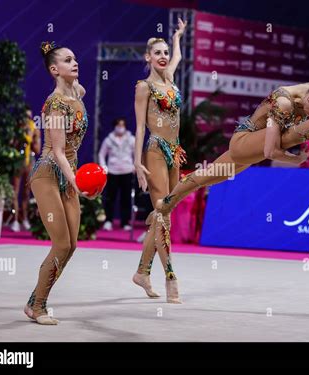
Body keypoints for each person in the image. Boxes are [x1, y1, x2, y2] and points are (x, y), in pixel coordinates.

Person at [142, 82, 309, 301]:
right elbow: (270, 151)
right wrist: (294, 160)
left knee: (201, 180)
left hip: (245, 155)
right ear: (308, 102)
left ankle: (162, 211)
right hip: (244, 143)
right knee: (295, 134)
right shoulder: (283, 102)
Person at [24, 42, 96, 325]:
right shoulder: (54, 103)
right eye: (67, 60)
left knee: (73, 244)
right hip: (48, 175)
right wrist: (77, 183)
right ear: (55, 70)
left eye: (75, 58)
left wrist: (76, 181)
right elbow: (56, 151)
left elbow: (80, 91)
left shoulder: (77, 92)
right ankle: (38, 306)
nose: (75, 62)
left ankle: (34, 301)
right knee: (61, 243)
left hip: (69, 175)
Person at [132, 18, 187, 303]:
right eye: (158, 53)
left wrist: (177, 36)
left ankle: (142, 272)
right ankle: (170, 277)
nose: (164, 57)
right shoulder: (144, 87)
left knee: (165, 215)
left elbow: (178, 56)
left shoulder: (171, 80)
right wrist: (136, 163)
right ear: (148, 57)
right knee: (162, 216)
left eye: (165, 53)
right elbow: (140, 127)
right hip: (154, 150)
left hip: (175, 151)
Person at [99, 118, 135, 231]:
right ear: (114, 126)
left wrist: (135, 166)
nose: (120, 127)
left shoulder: (131, 139)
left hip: (127, 171)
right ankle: (108, 220)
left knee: (126, 198)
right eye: (118, 125)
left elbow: (137, 154)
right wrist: (104, 167)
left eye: (122, 125)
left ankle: (125, 222)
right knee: (110, 198)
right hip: (112, 172)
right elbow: (101, 154)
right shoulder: (108, 140)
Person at [10, 105, 41, 232]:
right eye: (25, 117)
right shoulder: (16, 129)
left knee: (26, 192)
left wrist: (33, 139)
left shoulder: (35, 129)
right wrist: (20, 138)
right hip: (19, 161)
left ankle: (25, 218)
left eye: (30, 116)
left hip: (30, 162)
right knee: (15, 191)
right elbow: (11, 145)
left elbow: (38, 150)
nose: (28, 119)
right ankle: (15, 219)